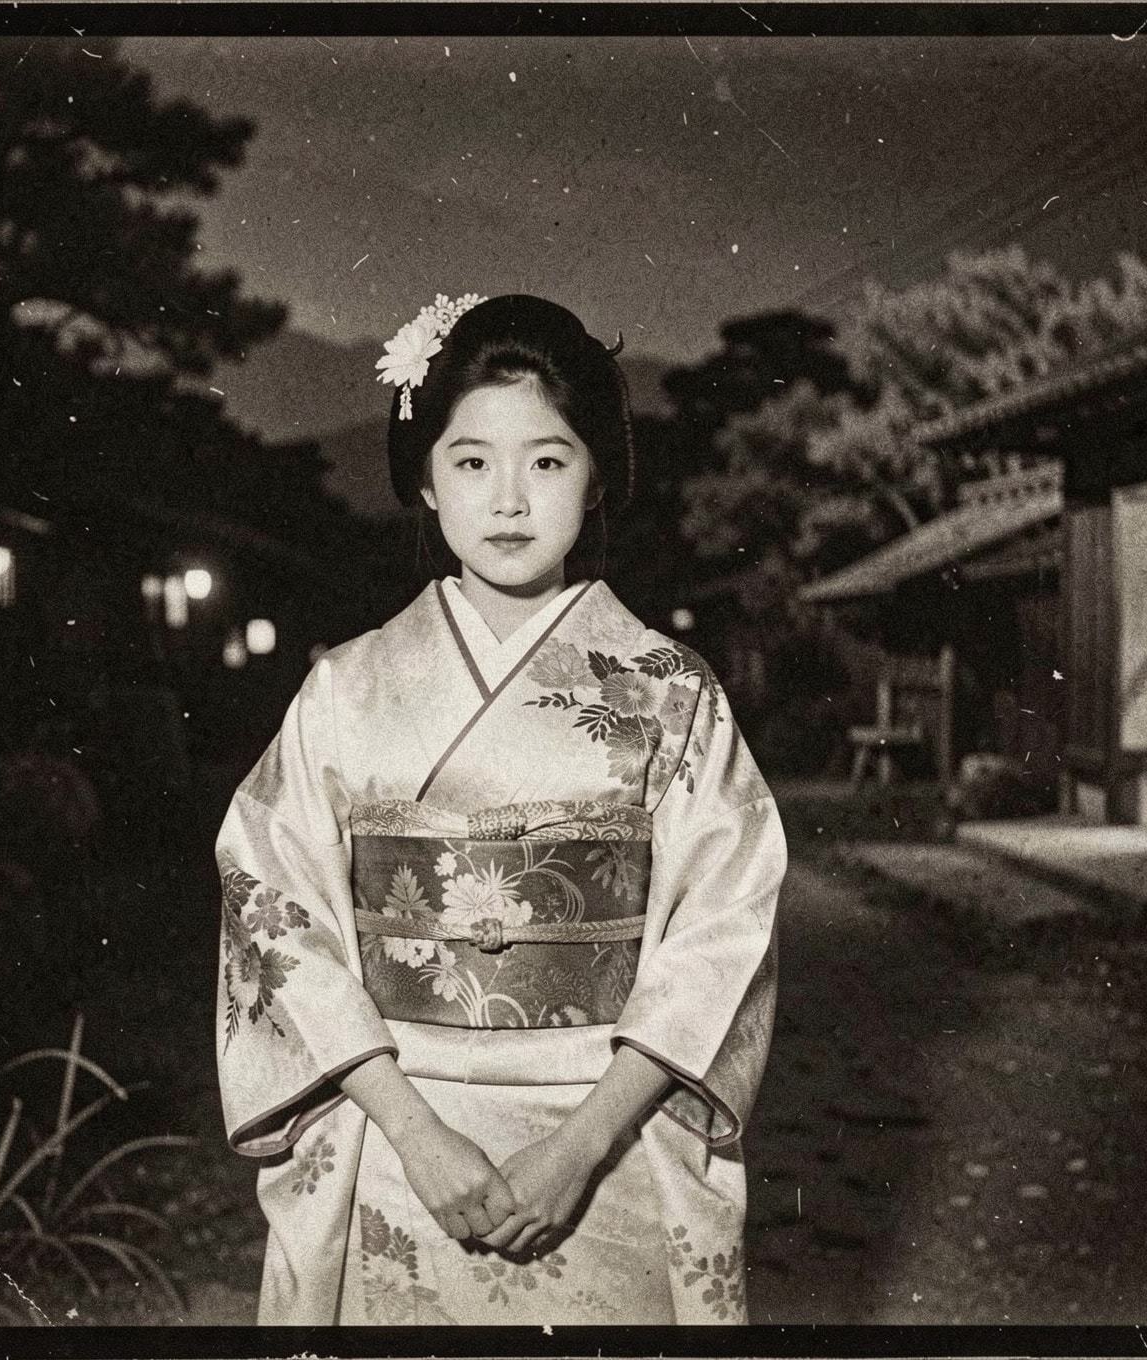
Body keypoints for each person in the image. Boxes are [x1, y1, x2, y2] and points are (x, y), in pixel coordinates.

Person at [213, 293, 783, 1325]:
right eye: (471, 460)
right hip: (393, 1135)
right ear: (424, 480)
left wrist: (577, 1149)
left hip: (608, 1135)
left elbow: (722, 931)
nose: (508, 498)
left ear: (597, 473)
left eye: (548, 460)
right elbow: (271, 898)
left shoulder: (670, 690)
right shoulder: (343, 688)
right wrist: (416, 1134)